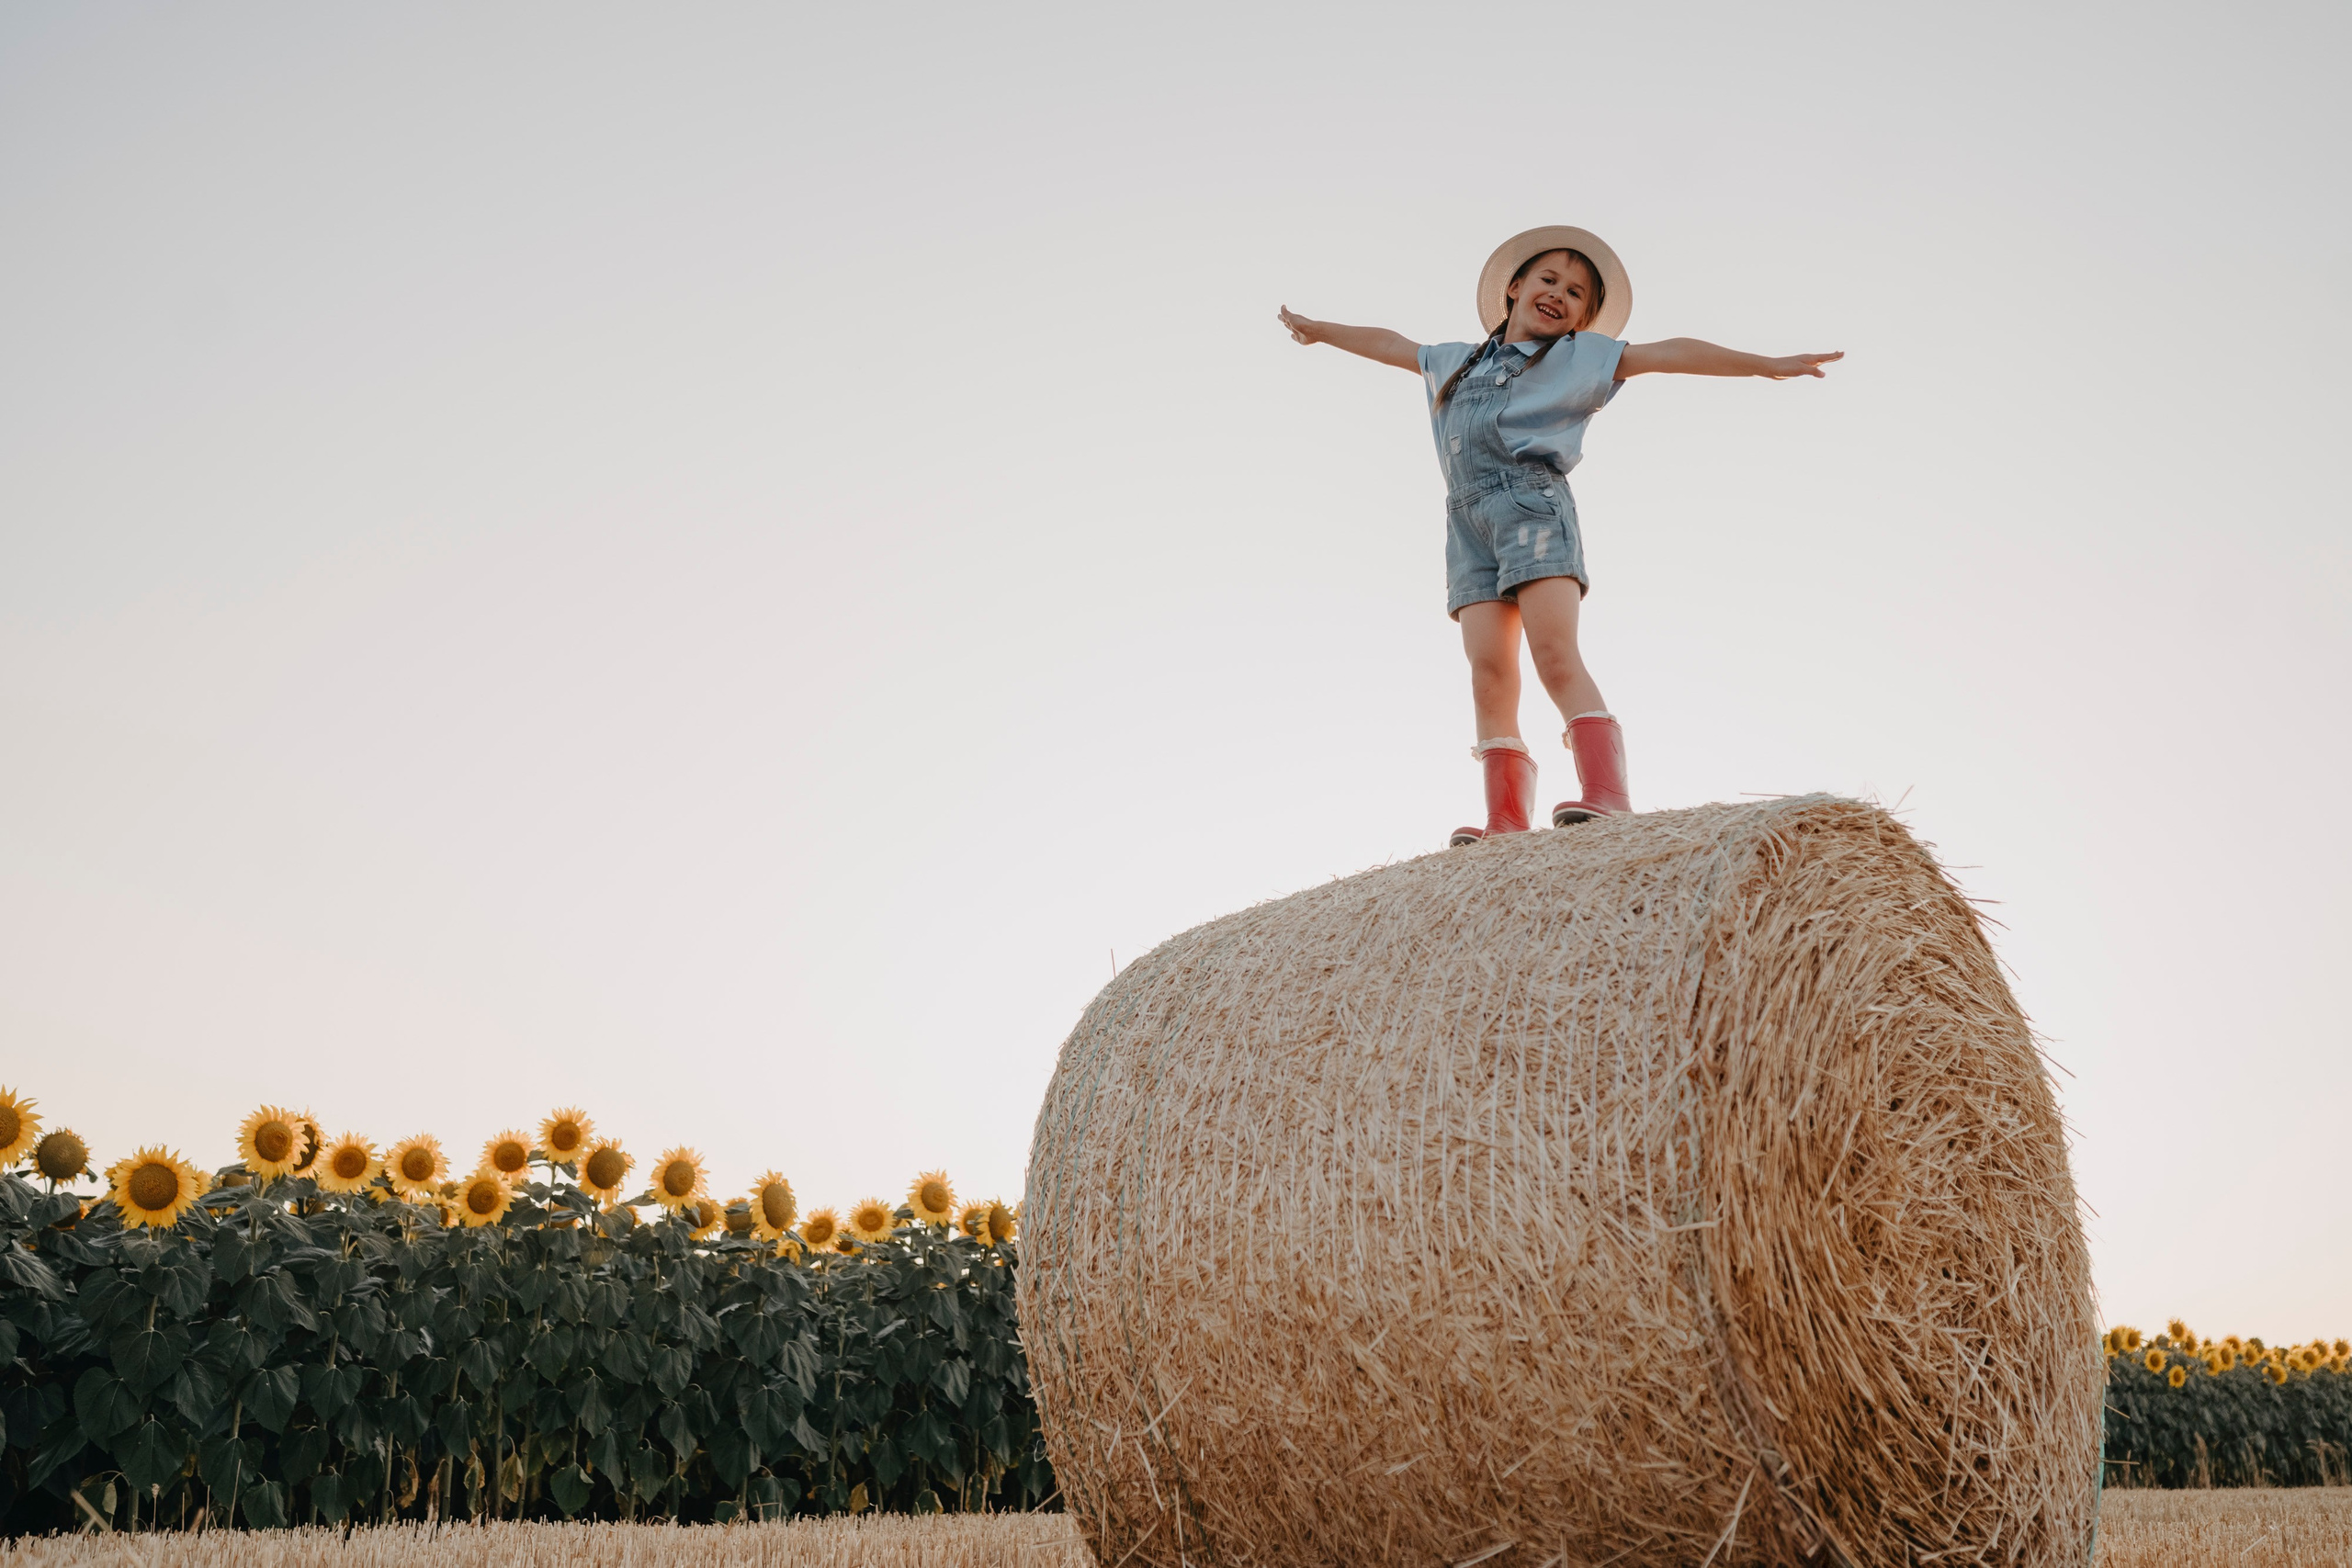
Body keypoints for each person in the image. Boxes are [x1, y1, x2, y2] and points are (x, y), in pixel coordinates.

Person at [1279, 226, 1840, 846]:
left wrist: (1765, 366)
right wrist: (1320, 330)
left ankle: (1608, 794)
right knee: (1489, 673)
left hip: (1533, 507)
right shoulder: (1455, 360)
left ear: (1582, 320)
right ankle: (1506, 822)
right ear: (1515, 287)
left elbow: (1670, 352)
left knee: (1553, 653)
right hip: (1466, 525)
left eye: (1576, 294)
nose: (1559, 295)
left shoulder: (1578, 360)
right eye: (1549, 280)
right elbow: (1391, 343)